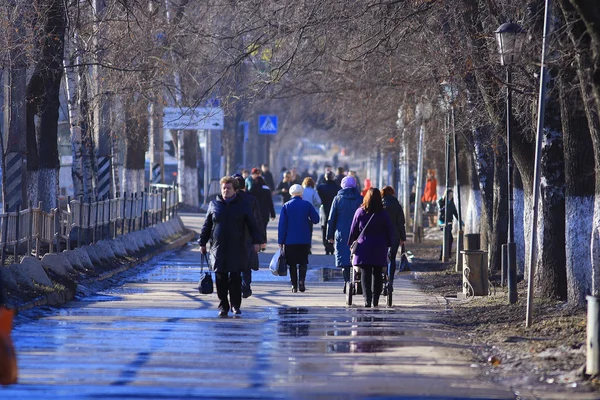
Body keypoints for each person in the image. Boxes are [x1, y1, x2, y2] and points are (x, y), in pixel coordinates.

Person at [199, 176, 263, 317]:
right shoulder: (214, 205)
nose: (225, 191)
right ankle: (223, 306)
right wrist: (202, 243)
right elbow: (207, 225)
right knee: (220, 277)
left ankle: (235, 305)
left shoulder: (243, 205)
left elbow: (253, 225)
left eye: (228, 188)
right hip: (218, 247)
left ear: (235, 190)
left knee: (235, 277)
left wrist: (257, 242)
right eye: (223, 188)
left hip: (237, 246)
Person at [348, 188, 393, 308]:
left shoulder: (360, 212)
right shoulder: (383, 214)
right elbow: (389, 231)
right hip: (379, 247)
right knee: (378, 273)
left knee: (365, 273)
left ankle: (367, 300)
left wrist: (351, 243)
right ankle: (376, 300)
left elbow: (353, 230)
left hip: (364, 247)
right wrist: (389, 244)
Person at [278, 184, 320, 293]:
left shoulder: (286, 206)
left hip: (290, 240)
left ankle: (294, 285)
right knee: (303, 262)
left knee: (291, 263)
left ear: (291, 193)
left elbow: (282, 225)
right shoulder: (307, 204)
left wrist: (281, 240)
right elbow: (316, 219)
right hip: (304, 239)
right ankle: (302, 281)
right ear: (301, 193)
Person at [327, 176, 363, 292]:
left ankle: (347, 282)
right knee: (358, 257)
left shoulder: (338, 199)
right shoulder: (361, 199)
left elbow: (331, 219)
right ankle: (358, 282)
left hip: (342, 233)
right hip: (358, 233)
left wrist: (330, 235)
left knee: (344, 259)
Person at [232, 174, 264, 299]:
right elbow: (258, 221)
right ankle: (246, 287)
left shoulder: (229, 200)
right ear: (245, 185)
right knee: (246, 265)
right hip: (249, 237)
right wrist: (260, 239)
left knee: (233, 264)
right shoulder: (251, 200)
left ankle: (236, 286)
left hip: (233, 237)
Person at [382, 186, 406, 290]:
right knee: (392, 258)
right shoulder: (397, 205)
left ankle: (383, 277)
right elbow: (401, 223)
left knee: (382, 257)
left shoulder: (380, 205)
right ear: (392, 194)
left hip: (382, 235)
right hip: (395, 235)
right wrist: (402, 238)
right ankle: (390, 280)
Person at [316, 171, 341, 255]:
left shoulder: (320, 187)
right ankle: (332, 246)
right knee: (334, 228)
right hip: (335, 210)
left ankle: (327, 246)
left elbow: (318, 200)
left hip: (324, 210)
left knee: (324, 228)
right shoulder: (337, 188)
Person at [251, 175, 276, 252]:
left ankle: (256, 243)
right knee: (263, 228)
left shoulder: (252, 190)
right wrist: (272, 213)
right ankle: (263, 244)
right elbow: (270, 202)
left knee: (255, 228)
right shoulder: (266, 190)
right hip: (264, 212)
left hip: (254, 212)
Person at [438, 189, 460, 260]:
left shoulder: (451, 202)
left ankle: (446, 254)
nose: (451, 196)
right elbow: (440, 210)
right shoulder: (442, 201)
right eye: (449, 195)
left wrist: (459, 220)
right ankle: (443, 255)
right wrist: (446, 206)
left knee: (449, 238)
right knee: (447, 237)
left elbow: (455, 212)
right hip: (443, 222)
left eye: (451, 195)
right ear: (446, 195)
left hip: (450, 222)